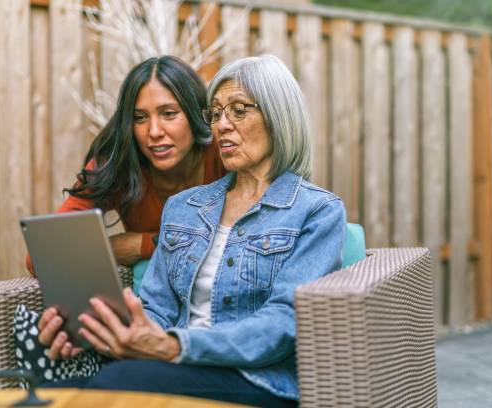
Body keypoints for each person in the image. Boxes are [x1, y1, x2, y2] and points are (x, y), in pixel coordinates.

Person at [38, 55, 346, 407]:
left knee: (115, 384)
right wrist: (106, 332)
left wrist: (173, 345)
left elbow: (282, 323)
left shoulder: (317, 211)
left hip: (261, 381)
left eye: (238, 110)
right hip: (176, 368)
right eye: (215, 114)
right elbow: (157, 308)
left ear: (278, 116)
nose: (222, 125)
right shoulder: (185, 207)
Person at [27, 55, 225, 272]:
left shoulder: (224, 152)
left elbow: (253, 243)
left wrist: (139, 244)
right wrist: (115, 249)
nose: (155, 132)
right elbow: (40, 257)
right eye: (140, 118)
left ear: (196, 113)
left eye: (169, 114)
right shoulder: (119, 162)